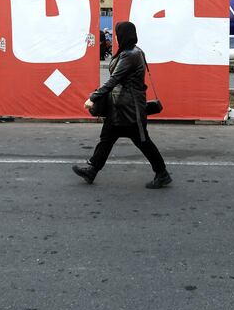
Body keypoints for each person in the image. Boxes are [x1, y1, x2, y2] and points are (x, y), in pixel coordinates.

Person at [73, 21, 171, 189]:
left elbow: (114, 80)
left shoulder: (131, 55)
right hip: (119, 108)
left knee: (143, 141)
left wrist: (93, 97)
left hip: (129, 110)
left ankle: (162, 173)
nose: (116, 37)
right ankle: (92, 170)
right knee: (106, 138)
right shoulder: (131, 52)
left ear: (124, 35)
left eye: (118, 34)